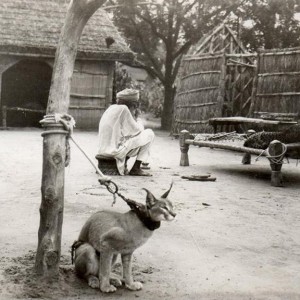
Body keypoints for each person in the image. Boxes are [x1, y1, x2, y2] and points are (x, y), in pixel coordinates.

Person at [97, 88, 155, 176]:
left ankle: (132, 166)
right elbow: (137, 131)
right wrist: (139, 121)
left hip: (103, 150)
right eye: (135, 105)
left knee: (129, 139)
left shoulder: (111, 108)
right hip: (114, 151)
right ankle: (136, 168)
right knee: (149, 133)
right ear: (134, 104)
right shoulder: (124, 109)